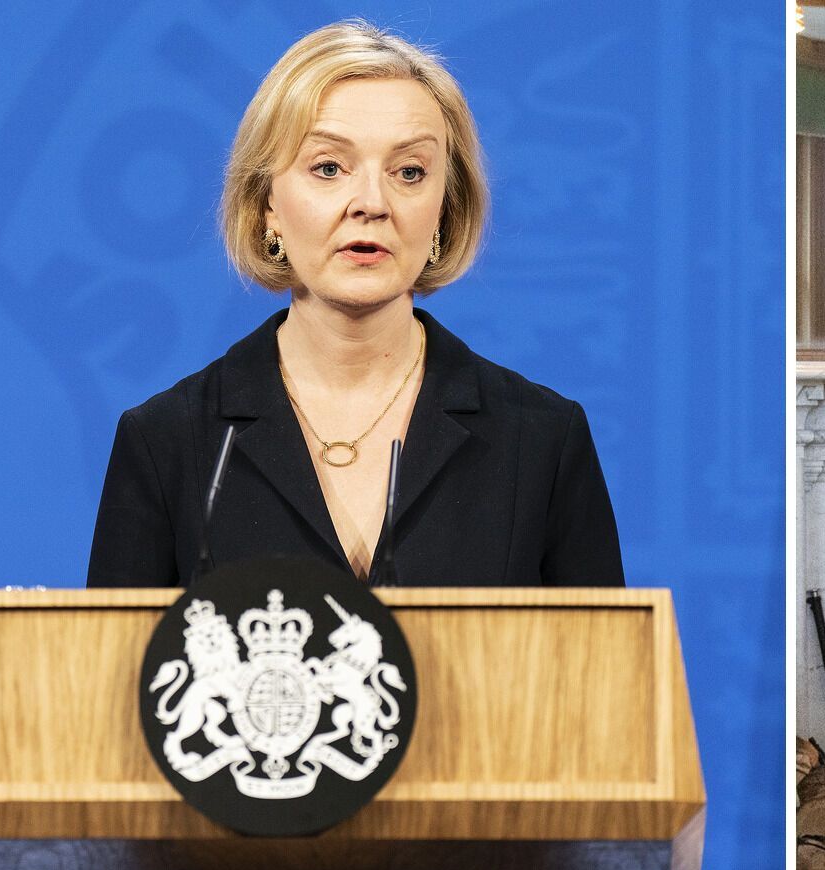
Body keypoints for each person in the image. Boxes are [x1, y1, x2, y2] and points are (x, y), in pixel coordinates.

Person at [88, 20, 622, 588]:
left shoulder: (540, 441)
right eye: (328, 168)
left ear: (444, 206)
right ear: (267, 203)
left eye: (409, 172)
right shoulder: (170, 443)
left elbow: (606, 672)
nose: (371, 202)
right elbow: (118, 675)